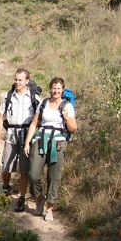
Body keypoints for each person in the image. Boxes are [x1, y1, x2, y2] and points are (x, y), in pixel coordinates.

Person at [24, 77, 78, 222]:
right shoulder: (44, 103)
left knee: (54, 177)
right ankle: (40, 198)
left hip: (58, 143)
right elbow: (34, 124)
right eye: (54, 88)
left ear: (63, 90)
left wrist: (66, 118)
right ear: (50, 89)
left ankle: (49, 208)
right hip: (40, 140)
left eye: (59, 88)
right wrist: (27, 142)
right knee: (33, 174)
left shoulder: (67, 106)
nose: (56, 91)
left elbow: (73, 129)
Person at [0, 68, 40, 212]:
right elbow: (0, 118)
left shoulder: (34, 98)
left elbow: (40, 118)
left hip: (28, 137)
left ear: (27, 81)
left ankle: (21, 198)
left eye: (20, 80)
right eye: (15, 79)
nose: (17, 82)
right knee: (6, 168)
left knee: (24, 171)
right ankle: (6, 187)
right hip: (11, 136)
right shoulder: (8, 97)